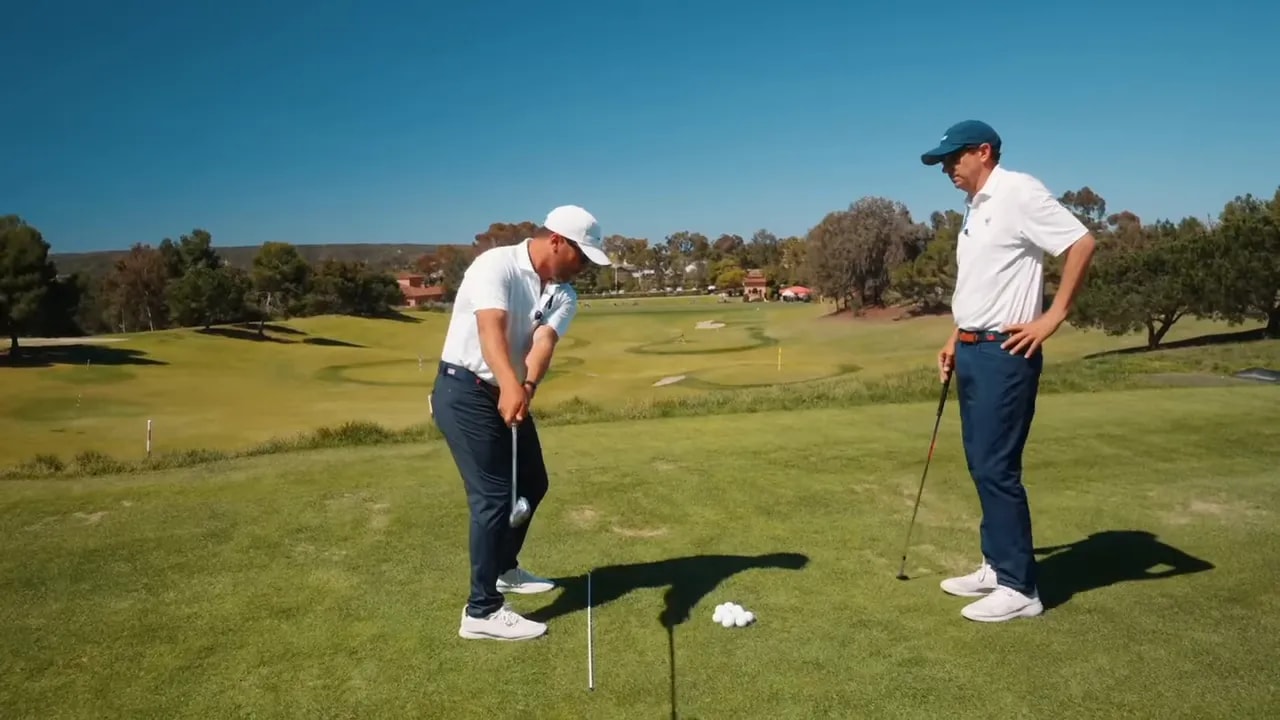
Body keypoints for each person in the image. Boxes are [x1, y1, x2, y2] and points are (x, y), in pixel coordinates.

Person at [919, 120, 1096, 623]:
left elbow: (1081, 242)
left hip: (1006, 352)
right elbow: (981, 283)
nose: (948, 168)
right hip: (972, 348)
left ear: (984, 151)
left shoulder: (1018, 190)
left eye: (954, 157)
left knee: (997, 467)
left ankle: (1021, 588)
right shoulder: (974, 207)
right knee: (981, 463)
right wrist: (955, 337)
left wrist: (1053, 316)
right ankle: (997, 566)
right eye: (943, 161)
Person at [430, 204, 611, 641]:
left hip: (508, 386)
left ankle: (504, 568)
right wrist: (510, 385)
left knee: (532, 481)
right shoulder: (496, 266)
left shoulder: (564, 292)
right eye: (582, 255)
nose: (585, 267)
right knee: (494, 495)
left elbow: (543, 341)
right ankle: (481, 611)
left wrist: (525, 386)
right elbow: (491, 330)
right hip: (464, 389)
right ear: (557, 241)